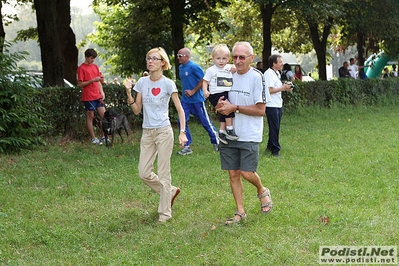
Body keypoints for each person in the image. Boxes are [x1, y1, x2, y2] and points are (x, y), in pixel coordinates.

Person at [124, 47, 188, 223]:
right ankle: (170, 191)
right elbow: (136, 110)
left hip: (163, 132)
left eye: (154, 58)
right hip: (147, 132)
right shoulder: (143, 83)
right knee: (143, 172)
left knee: (163, 172)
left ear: (163, 63)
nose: (150, 61)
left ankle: (164, 213)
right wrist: (129, 92)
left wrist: (182, 132)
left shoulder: (168, 84)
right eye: (148, 58)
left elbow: (180, 111)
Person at [215, 41, 272, 225]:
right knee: (233, 173)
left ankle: (262, 190)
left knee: (247, 173)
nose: (238, 61)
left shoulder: (257, 77)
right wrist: (219, 105)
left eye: (242, 57)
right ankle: (240, 211)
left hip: (249, 133)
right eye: (235, 57)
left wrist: (236, 107)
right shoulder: (227, 74)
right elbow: (219, 97)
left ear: (251, 58)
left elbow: (261, 110)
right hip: (229, 133)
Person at [176, 47, 219, 155]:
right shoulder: (181, 67)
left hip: (197, 100)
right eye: (177, 55)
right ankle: (187, 146)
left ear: (187, 56)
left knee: (205, 122)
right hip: (185, 101)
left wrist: (193, 90)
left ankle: (217, 141)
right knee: (181, 121)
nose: (178, 58)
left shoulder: (194, 67)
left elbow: (204, 80)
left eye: (180, 56)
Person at [202, 44, 238, 144]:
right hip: (216, 94)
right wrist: (205, 91)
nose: (221, 61)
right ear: (213, 59)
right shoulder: (211, 70)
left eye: (224, 58)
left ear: (228, 59)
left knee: (224, 112)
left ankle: (222, 132)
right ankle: (229, 129)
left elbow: (235, 69)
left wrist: (234, 68)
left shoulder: (229, 67)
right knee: (228, 108)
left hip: (226, 92)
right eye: (218, 58)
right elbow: (205, 81)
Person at [264, 54, 294, 157]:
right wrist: (282, 88)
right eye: (280, 62)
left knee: (275, 127)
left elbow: (277, 87)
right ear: (274, 64)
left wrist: (286, 88)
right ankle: (275, 150)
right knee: (274, 128)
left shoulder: (277, 73)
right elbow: (269, 90)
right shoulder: (268, 74)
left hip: (278, 104)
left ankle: (270, 146)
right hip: (271, 105)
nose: (282, 64)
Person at [77, 48, 106, 145]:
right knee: (90, 116)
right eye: (91, 58)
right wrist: (92, 80)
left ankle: (103, 136)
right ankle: (93, 138)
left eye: (94, 58)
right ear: (86, 57)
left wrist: (102, 92)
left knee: (104, 116)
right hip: (88, 96)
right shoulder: (81, 68)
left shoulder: (95, 67)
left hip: (97, 95)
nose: (92, 60)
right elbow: (80, 84)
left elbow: (98, 82)